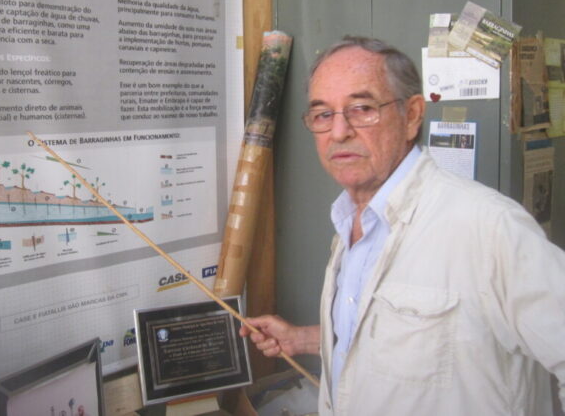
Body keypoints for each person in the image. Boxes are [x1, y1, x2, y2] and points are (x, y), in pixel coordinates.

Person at [240, 36, 565, 415]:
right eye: (323, 114)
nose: (339, 132)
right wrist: (303, 339)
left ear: (411, 115)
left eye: (362, 108)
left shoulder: (489, 227)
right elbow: (416, 341)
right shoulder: (350, 222)